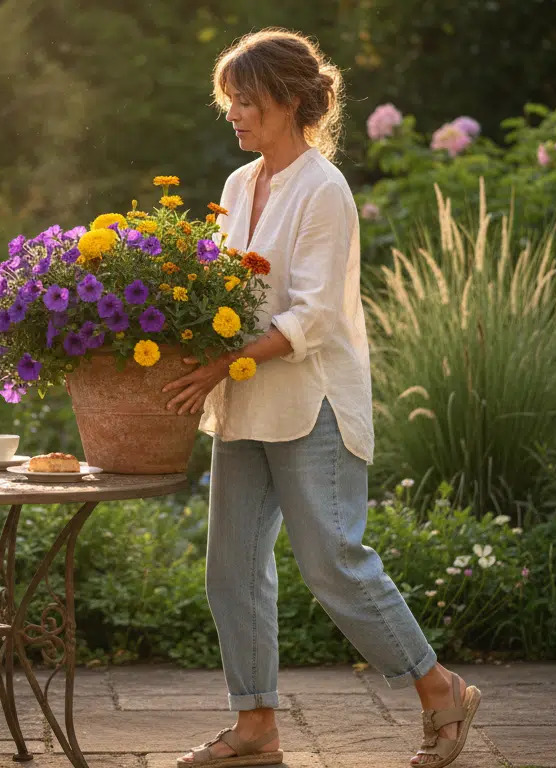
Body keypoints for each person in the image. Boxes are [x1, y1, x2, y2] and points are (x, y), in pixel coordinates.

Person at [160, 27, 481, 768]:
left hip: (312, 403)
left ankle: (440, 691)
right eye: (230, 101)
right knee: (229, 570)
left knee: (334, 561)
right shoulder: (239, 187)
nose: (234, 114)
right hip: (246, 404)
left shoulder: (324, 189)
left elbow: (312, 317)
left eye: (246, 100)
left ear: (291, 100)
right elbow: (225, 296)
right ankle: (256, 728)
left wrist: (219, 363)